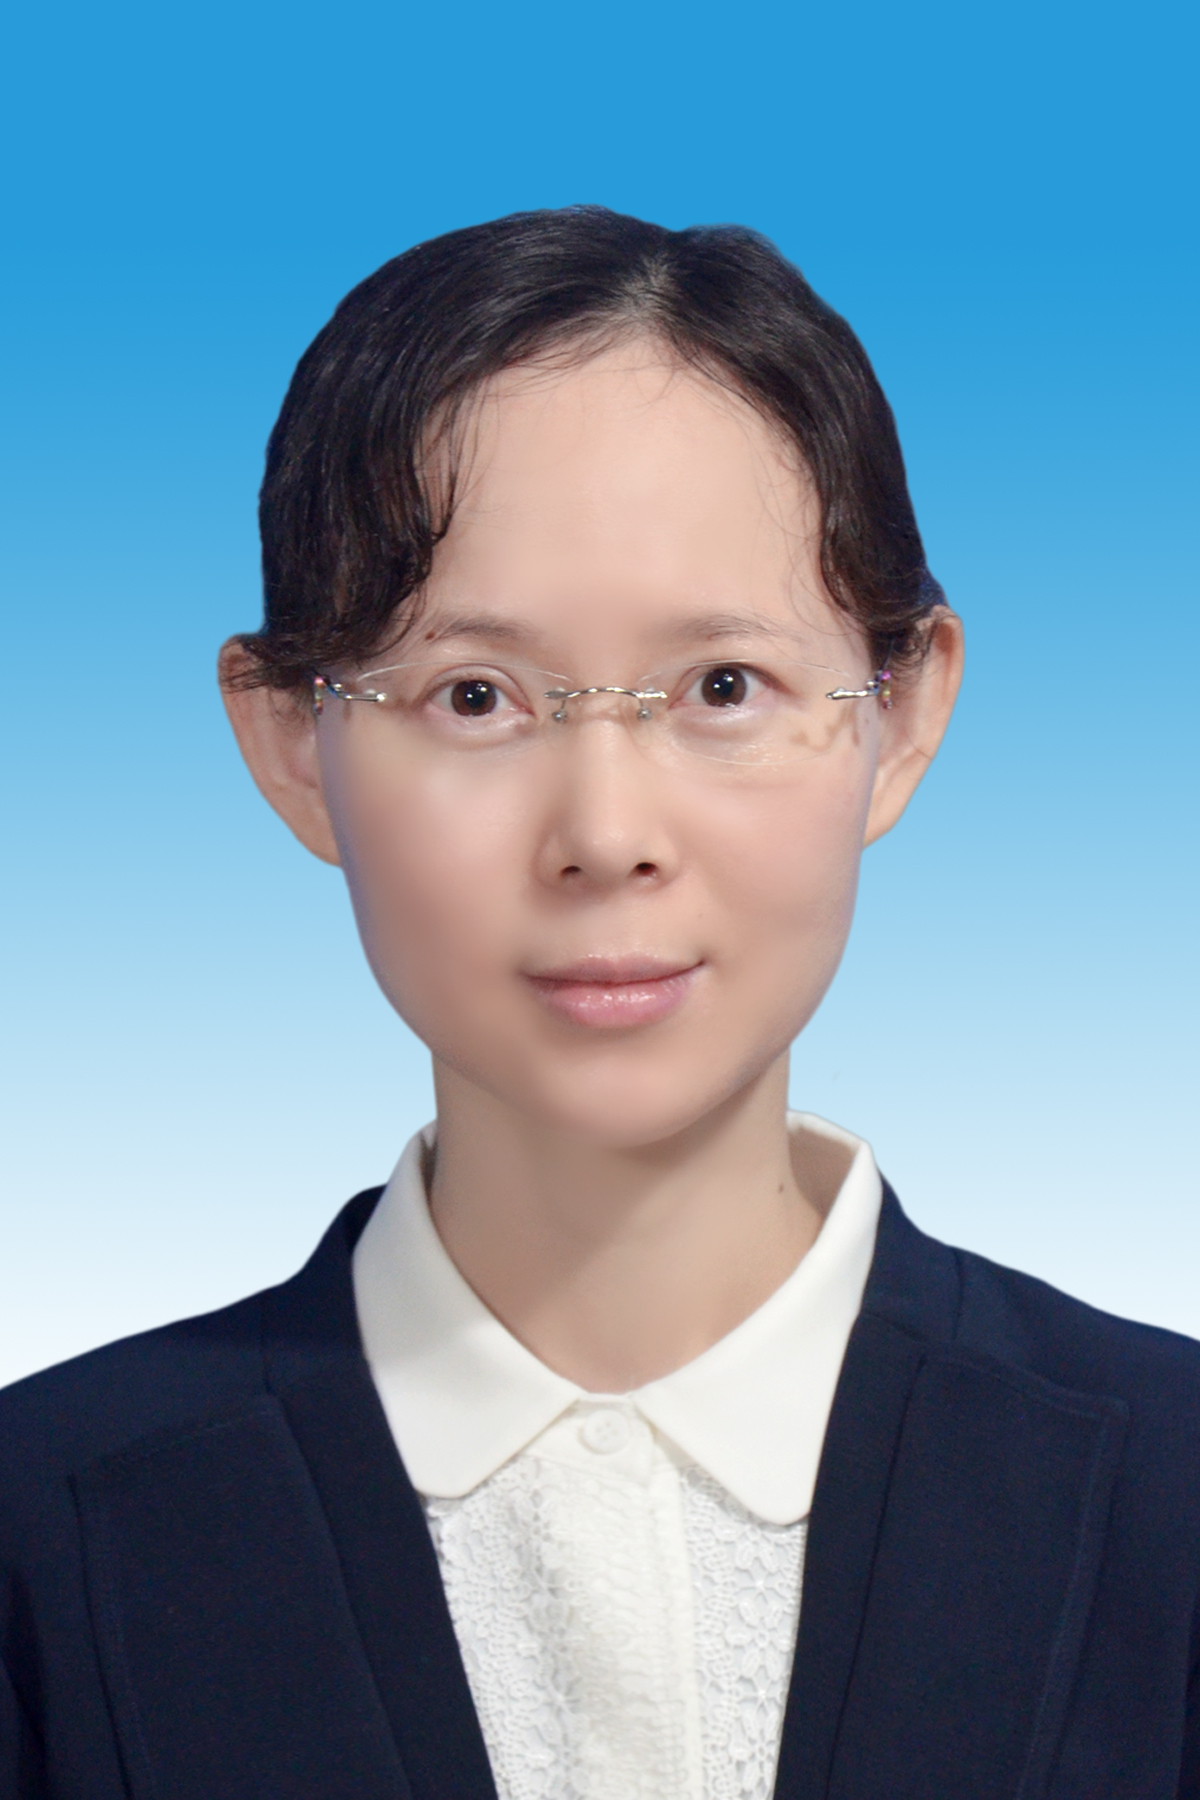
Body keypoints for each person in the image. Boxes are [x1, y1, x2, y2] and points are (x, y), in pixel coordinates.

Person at [1, 207, 1197, 1800]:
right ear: (290, 740)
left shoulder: (1174, 1495)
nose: (607, 833)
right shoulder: (43, 1531)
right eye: (475, 696)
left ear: (901, 714)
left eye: (723, 687)